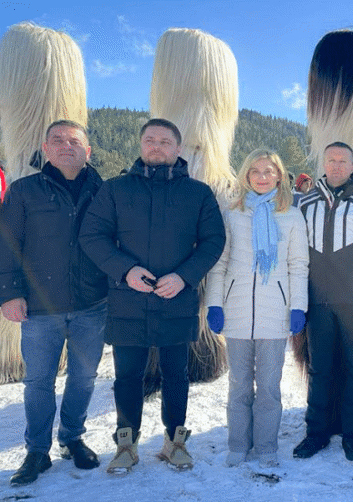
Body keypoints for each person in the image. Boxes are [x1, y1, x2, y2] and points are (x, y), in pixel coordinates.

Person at [79, 118, 225, 473]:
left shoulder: (198, 193)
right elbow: (92, 236)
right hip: (128, 299)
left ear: (178, 149)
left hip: (176, 298)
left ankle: (175, 442)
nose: (156, 146)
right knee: (128, 376)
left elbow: (213, 241)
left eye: (164, 141)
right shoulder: (115, 190)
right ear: (141, 145)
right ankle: (126, 444)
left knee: (176, 374)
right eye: (149, 140)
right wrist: (124, 270)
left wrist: (185, 276)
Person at [0, 120, 108, 486]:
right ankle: (37, 450)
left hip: (91, 304)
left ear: (87, 150)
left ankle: (72, 437)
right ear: (45, 149)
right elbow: (7, 244)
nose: (66, 146)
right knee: (38, 382)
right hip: (40, 305)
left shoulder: (104, 191)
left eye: (74, 141)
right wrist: (10, 293)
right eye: (57, 140)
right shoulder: (24, 190)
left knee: (84, 377)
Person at [205, 149, 308, 469]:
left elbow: (298, 265)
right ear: (246, 176)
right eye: (255, 171)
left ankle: (265, 446)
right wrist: (214, 304)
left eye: (269, 171)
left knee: (267, 387)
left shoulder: (291, 215)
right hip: (235, 314)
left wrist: (297, 307)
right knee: (238, 385)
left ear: (279, 175)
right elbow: (218, 265)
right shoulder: (232, 214)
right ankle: (237, 445)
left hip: (274, 313)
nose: (262, 176)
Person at [294, 141, 353, 461]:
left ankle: (352, 434)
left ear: (352, 166)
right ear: (323, 163)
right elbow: (295, 256)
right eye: (331, 160)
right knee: (320, 370)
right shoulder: (305, 203)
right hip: (318, 303)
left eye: (343, 161)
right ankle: (316, 433)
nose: (336, 166)